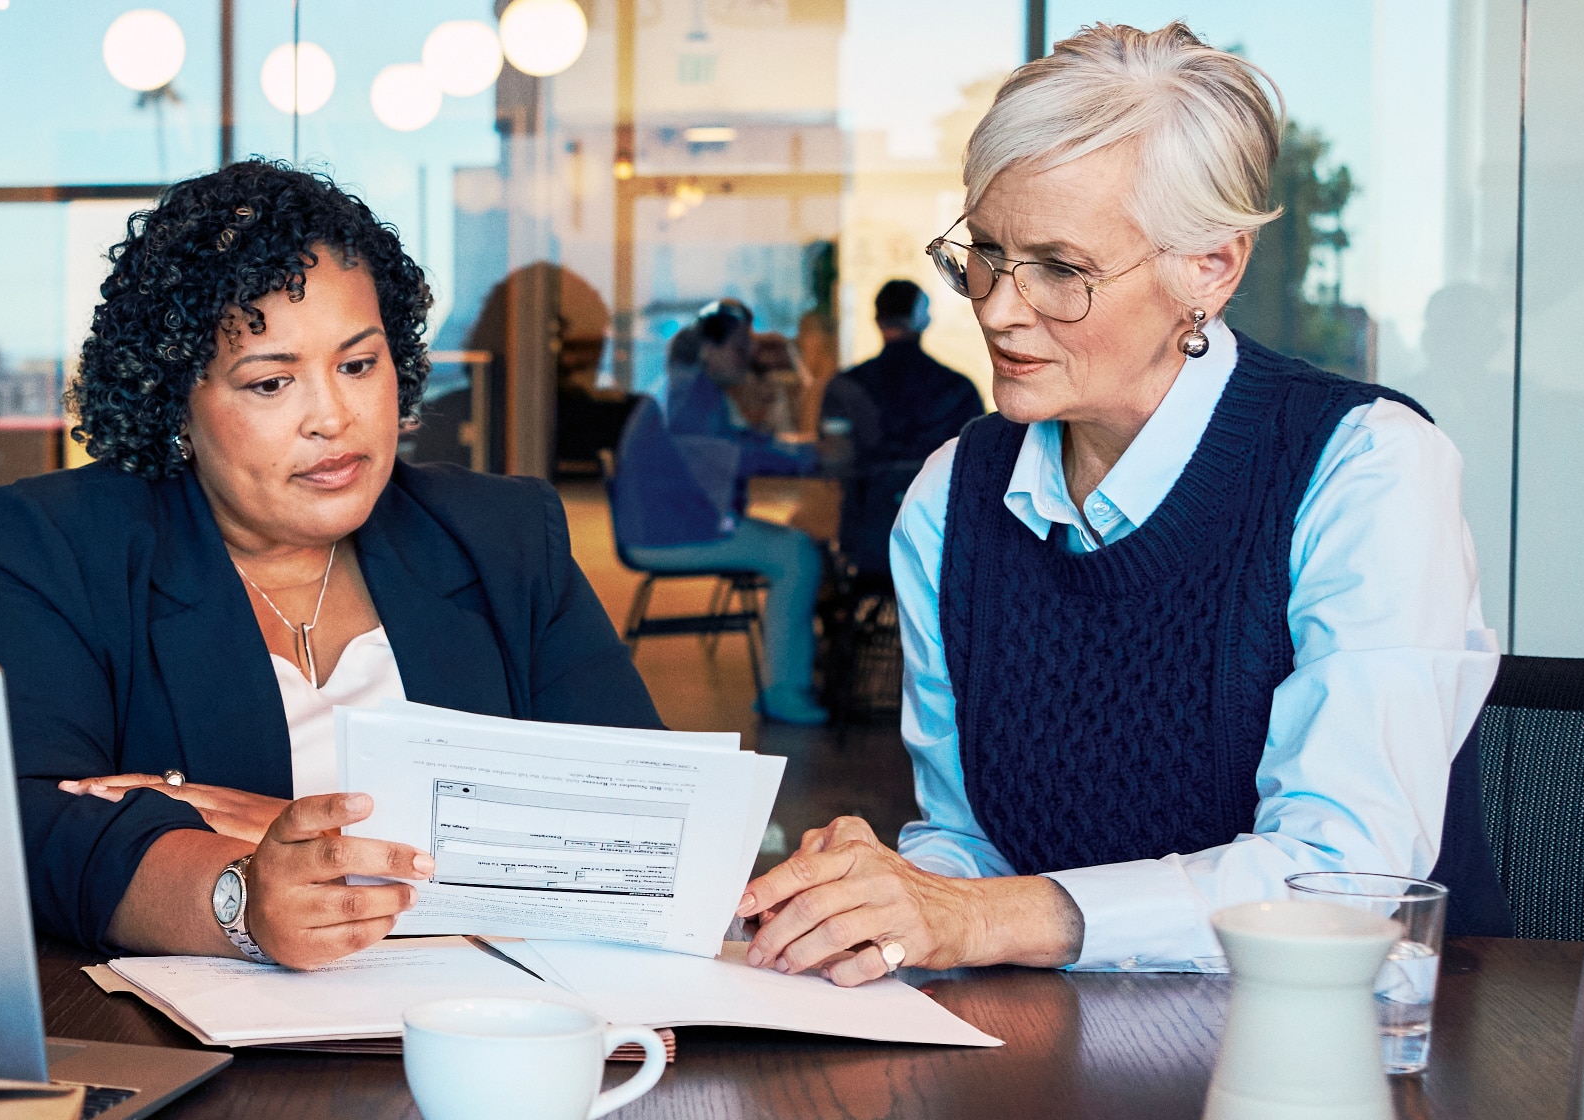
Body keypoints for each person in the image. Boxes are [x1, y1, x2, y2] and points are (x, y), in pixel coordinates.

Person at [737, 22, 1503, 986]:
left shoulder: (1366, 468)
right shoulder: (950, 501)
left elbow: (1340, 879)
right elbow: (973, 843)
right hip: (1064, 1046)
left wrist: (974, 916)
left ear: (1210, 270)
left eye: (1061, 269)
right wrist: (887, 901)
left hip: (1360, 1051)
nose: (999, 308)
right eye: (985, 252)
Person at [0, 161, 661, 968]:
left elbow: (644, 833)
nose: (334, 418)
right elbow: (3, 828)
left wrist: (301, 828)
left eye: (357, 365)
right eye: (272, 381)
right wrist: (238, 893)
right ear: (175, 403)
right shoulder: (48, 547)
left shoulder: (506, 537)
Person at [611, 299, 830, 726]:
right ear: (709, 350)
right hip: (670, 531)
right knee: (798, 554)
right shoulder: (694, 397)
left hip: (666, 522)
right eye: (739, 347)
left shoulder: (688, 388)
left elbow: (728, 448)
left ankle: (788, 681)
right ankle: (784, 691)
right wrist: (811, 456)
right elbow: (735, 456)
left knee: (795, 547)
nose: (747, 357)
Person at [822, 280, 985, 580]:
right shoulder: (956, 388)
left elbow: (835, 458)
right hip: (941, 538)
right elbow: (979, 464)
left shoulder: (846, 386)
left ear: (877, 319)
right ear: (921, 318)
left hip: (865, 536)